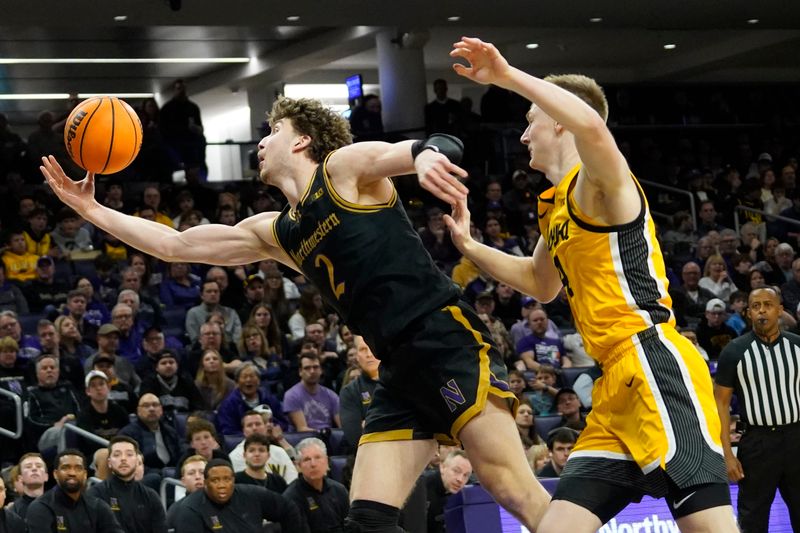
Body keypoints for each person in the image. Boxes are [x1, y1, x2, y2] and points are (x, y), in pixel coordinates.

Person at [40, 94, 547, 532]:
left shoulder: (343, 171)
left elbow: (423, 146)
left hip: (444, 340)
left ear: (302, 140)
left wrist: (431, 155)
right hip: (397, 369)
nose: (260, 141)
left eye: (272, 131)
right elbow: (176, 244)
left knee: (511, 489)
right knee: (368, 521)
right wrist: (92, 211)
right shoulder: (277, 231)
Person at [445, 37, 735, 531]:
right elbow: (541, 284)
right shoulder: (556, 205)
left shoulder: (602, 180)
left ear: (560, 119)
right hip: (611, 386)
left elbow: (594, 125)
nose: (522, 136)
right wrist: (470, 246)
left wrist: (507, 75)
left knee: (709, 528)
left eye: (529, 120)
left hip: (652, 363)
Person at [714, 286, 800, 532]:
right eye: (755, 306)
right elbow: (720, 404)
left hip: (796, 438)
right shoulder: (734, 351)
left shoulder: (798, 347)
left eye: (768, 305)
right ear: (748, 313)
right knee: (753, 517)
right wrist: (728, 455)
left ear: (780, 310)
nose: (762, 310)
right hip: (757, 443)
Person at [170, 459, 307, 533]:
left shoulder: (252, 494)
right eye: (215, 480)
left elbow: (289, 509)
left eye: (227, 479)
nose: (222, 485)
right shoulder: (190, 509)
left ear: (234, 480)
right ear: (205, 483)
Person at [26, 449, 124, 532]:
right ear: (55, 474)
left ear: (85, 475)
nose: (72, 473)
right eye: (66, 468)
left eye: (78, 468)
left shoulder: (98, 506)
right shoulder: (40, 507)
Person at [87, 436, 167, 533]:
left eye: (129, 454)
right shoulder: (95, 495)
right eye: (117, 455)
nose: (123, 459)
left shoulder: (150, 496)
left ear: (137, 461)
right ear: (109, 463)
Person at [284, 438, 349, 532]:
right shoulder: (291, 498)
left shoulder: (339, 490)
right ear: (299, 466)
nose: (313, 464)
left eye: (318, 457)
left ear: (326, 461)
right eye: (307, 459)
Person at [118, 393, 184, 472]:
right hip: (146, 476)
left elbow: (181, 453)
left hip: (171, 474)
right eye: (146, 406)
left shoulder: (170, 431)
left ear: (161, 410)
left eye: (155, 405)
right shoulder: (128, 434)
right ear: (138, 411)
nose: (151, 409)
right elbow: (129, 463)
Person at [228, 409, 298, 484]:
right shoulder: (235, 456)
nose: (254, 428)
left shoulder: (279, 452)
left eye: (258, 424)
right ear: (244, 431)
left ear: (265, 427)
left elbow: (293, 480)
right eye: (249, 425)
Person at [339, 335, 380, 452]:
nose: (369, 354)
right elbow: (354, 437)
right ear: (357, 355)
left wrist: (370, 423)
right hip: (368, 456)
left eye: (372, 348)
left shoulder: (401, 383)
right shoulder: (349, 392)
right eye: (363, 349)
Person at [283, 351, 341, 431]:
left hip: (330, 437)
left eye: (316, 367)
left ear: (321, 370)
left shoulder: (331, 395)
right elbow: (302, 429)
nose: (312, 371)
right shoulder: (291, 395)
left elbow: (342, 426)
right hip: (305, 439)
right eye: (307, 368)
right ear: (300, 372)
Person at [424, 450, 473, 533]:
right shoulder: (422, 486)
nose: (460, 479)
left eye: (465, 475)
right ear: (442, 467)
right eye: (456, 471)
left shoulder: (470, 490)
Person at [10, 453, 48, 520]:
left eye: (39, 466)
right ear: (20, 478)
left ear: (46, 476)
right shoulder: (12, 512)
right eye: (28, 467)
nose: (34, 468)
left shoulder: (58, 506)